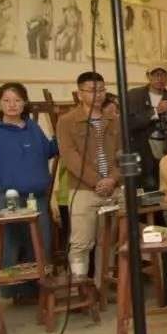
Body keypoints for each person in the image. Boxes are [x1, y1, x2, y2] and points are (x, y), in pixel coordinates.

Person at [0, 82, 58, 297]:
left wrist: (60, 132)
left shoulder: (32, 127)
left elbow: (48, 151)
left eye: (17, 100)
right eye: (6, 100)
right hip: (5, 198)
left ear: (24, 103)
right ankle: (10, 294)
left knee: (40, 243)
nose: (12, 105)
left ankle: (36, 292)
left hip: (36, 197)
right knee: (10, 244)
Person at [56, 71, 119, 278]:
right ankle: (78, 286)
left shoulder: (114, 120)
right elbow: (70, 157)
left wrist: (112, 179)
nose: (98, 95)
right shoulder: (67, 121)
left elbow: (123, 155)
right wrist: (98, 181)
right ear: (79, 93)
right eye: (92, 90)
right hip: (83, 190)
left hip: (113, 189)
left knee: (108, 242)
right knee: (81, 243)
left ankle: (103, 287)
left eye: (101, 90)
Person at [127, 65, 167, 191]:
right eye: (156, 75)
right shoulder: (134, 95)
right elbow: (130, 123)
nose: (160, 78)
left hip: (166, 154)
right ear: (148, 76)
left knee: (166, 190)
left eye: (163, 75)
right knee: (144, 192)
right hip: (141, 154)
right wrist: (156, 112)